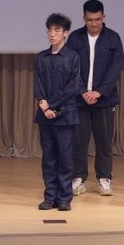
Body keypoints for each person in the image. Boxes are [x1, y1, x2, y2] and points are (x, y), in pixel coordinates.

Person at [66, 0, 124, 196]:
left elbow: (116, 69)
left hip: (104, 100)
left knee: (104, 141)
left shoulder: (113, 38)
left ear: (104, 17)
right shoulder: (74, 38)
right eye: (90, 20)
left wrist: (99, 92)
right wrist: (83, 91)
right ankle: (78, 178)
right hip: (80, 99)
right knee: (79, 141)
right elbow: (71, 69)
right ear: (84, 18)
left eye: (98, 19)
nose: (94, 23)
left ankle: (104, 178)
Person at [34, 13, 85, 212]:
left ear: (66, 33)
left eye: (57, 30)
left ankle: (64, 197)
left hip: (65, 115)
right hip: (45, 115)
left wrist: (52, 106)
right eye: (50, 30)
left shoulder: (72, 57)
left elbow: (72, 87)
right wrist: (44, 105)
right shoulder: (41, 57)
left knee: (65, 158)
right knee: (49, 158)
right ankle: (50, 196)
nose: (52, 34)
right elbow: (37, 84)